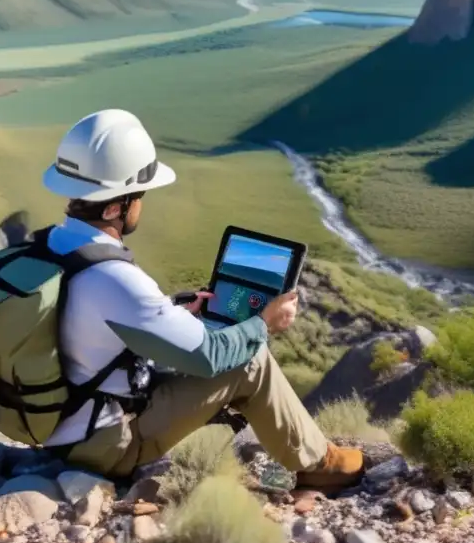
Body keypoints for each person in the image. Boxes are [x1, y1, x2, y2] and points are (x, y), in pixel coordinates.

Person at [38, 108, 364, 491]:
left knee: (201, 353)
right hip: (105, 446)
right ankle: (319, 465)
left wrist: (173, 313)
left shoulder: (50, 246)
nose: (142, 203)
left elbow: (94, 331)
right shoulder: (113, 277)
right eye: (138, 195)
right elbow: (209, 357)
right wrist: (264, 323)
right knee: (249, 360)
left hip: (57, 431)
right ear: (114, 208)